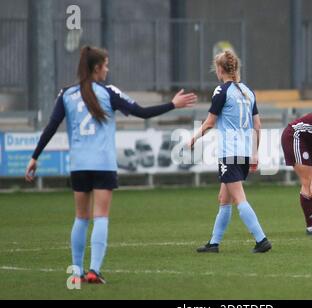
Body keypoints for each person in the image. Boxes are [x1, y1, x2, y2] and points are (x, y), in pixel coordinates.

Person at [25, 45, 197, 284]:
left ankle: (76, 271)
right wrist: (172, 104)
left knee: (81, 218)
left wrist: (35, 157)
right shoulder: (109, 93)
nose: (108, 69)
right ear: (97, 68)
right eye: (105, 65)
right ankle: (94, 270)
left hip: (78, 165)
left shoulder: (66, 94)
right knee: (101, 217)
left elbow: (51, 126)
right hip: (103, 164)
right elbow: (142, 113)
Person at [190, 50, 271, 254]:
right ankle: (214, 244)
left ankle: (261, 240)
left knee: (239, 199)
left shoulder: (221, 91)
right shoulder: (247, 91)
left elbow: (210, 122)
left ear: (219, 69)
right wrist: (254, 153)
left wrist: (194, 137)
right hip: (244, 152)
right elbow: (257, 125)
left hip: (229, 153)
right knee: (223, 199)